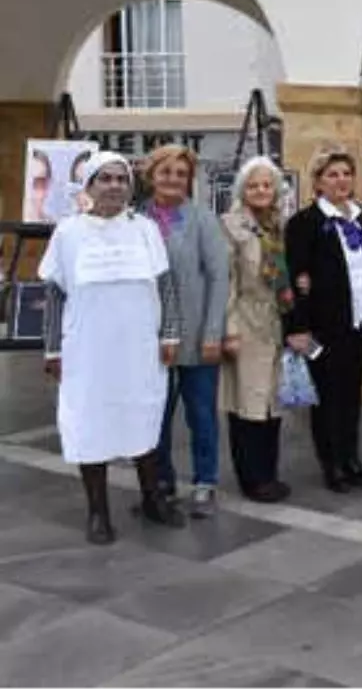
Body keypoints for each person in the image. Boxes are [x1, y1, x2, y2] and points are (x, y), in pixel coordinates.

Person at [39, 151, 186, 544]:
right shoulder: (68, 232)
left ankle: (153, 500)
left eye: (122, 179)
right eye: (105, 179)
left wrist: (169, 334)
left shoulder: (145, 230)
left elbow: (165, 287)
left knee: (143, 420)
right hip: (87, 350)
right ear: (89, 186)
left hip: (139, 348)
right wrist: (52, 349)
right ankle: (98, 513)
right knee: (91, 425)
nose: (114, 186)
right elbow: (53, 295)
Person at [142, 144, 230, 517]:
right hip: (150, 339)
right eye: (166, 172)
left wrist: (213, 332)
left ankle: (205, 481)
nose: (173, 179)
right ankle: (160, 481)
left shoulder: (202, 219)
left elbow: (218, 276)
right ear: (151, 176)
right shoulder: (135, 219)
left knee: (201, 414)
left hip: (196, 337)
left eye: (180, 173)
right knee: (154, 416)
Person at [285, 146, 362, 493]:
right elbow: (296, 277)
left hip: (358, 322)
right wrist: (298, 326)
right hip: (324, 324)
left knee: (352, 394)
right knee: (327, 397)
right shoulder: (305, 223)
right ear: (318, 182)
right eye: (332, 174)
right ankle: (332, 462)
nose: (341, 180)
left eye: (346, 174)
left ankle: (351, 455)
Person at [219, 155, 293, 503]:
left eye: (267, 184)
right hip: (246, 322)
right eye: (254, 185)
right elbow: (228, 282)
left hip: (275, 322)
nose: (261, 191)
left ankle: (270, 472)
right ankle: (252, 478)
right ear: (242, 190)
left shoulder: (279, 225)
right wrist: (229, 330)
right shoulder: (231, 225)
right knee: (247, 405)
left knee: (271, 405)